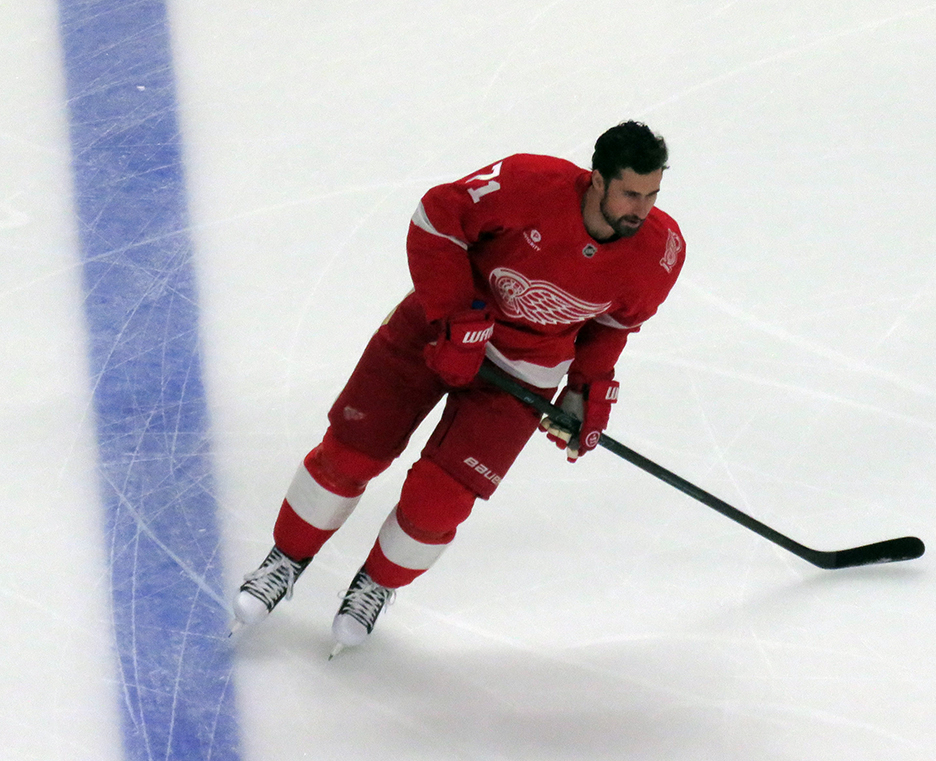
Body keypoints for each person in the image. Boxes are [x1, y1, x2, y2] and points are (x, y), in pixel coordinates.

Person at [232, 120, 686, 656]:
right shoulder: (528, 182)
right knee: (350, 455)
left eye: (652, 194)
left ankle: (375, 585)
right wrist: (454, 312)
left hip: (526, 371)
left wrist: (587, 386)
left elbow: (614, 324)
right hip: (438, 328)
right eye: (631, 193)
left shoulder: (661, 251)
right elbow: (436, 217)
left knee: (438, 504)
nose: (641, 208)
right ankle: (286, 560)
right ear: (596, 179)